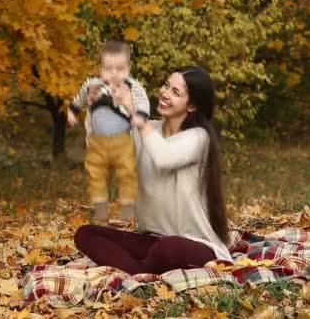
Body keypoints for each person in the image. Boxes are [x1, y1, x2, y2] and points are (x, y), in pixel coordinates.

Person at [74, 66, 232, 275]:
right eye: (166, 86)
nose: (165, 94)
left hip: (193, 245)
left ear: (192, 105)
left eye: (176, 92)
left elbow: (164, 158)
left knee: (168, 248)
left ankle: (135, 268)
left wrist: (137, 117)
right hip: (153, 239)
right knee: (86, 234)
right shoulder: (149, 130)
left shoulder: (198, 137)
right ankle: (141, 268)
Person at [68, 41, 150, 223]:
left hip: (123, 141)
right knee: (95, 173)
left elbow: (144, 103)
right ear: (100, 68)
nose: (114, 74)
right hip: (97, 142)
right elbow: (79, 100)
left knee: (127, 173)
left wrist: (140, 115)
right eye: (108, 68)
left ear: (128, 68)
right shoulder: (92, 85)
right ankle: (101, 211)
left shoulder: (132, 87)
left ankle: (128, 213)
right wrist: (72, 112)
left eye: (120, 69)